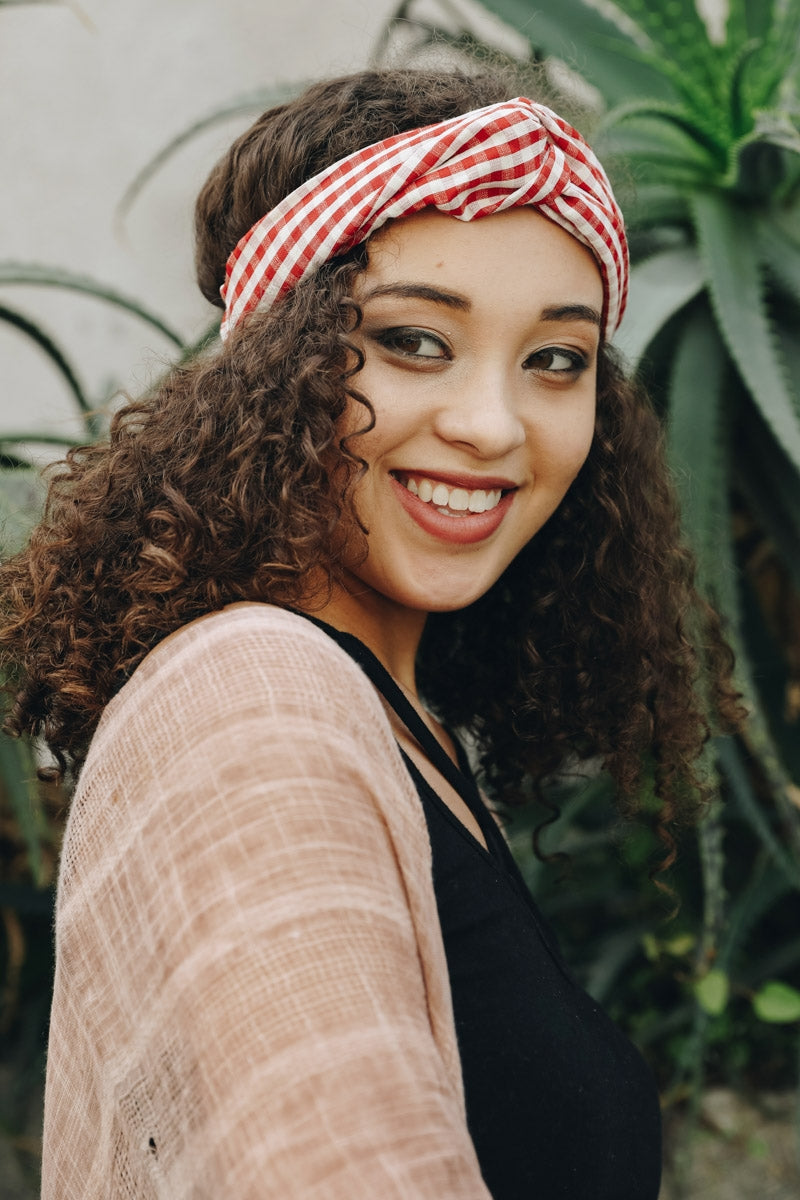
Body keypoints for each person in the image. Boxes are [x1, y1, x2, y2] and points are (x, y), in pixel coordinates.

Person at [0, 68, 740, 1198]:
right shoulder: (256, 704)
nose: (491, 425)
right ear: (273, 369)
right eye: (413, 341)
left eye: (556, 359)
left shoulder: (391, 720)